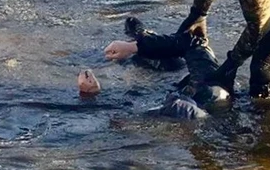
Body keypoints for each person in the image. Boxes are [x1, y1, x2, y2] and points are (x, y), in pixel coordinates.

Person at [99, 16, 231, 120]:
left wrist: (91, 95)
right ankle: (144, 37)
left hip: (176, 83)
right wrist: (135, 46)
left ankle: (144, 38)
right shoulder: (208, 84)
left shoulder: (187, 106)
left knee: (140, 59)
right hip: (186, 75)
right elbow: (192, 43)